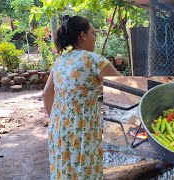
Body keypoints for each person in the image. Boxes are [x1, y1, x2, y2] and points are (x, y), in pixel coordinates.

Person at [42, 15, 122, 180]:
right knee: (86, 173)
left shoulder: (60, 61)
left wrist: (57, 120)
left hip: (58, 127)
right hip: (83, 130)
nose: (94, 38)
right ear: (83, 35)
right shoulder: (95, 61)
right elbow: (124, 88)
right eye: (93, 33)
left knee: (64, 173)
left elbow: (46, 94)